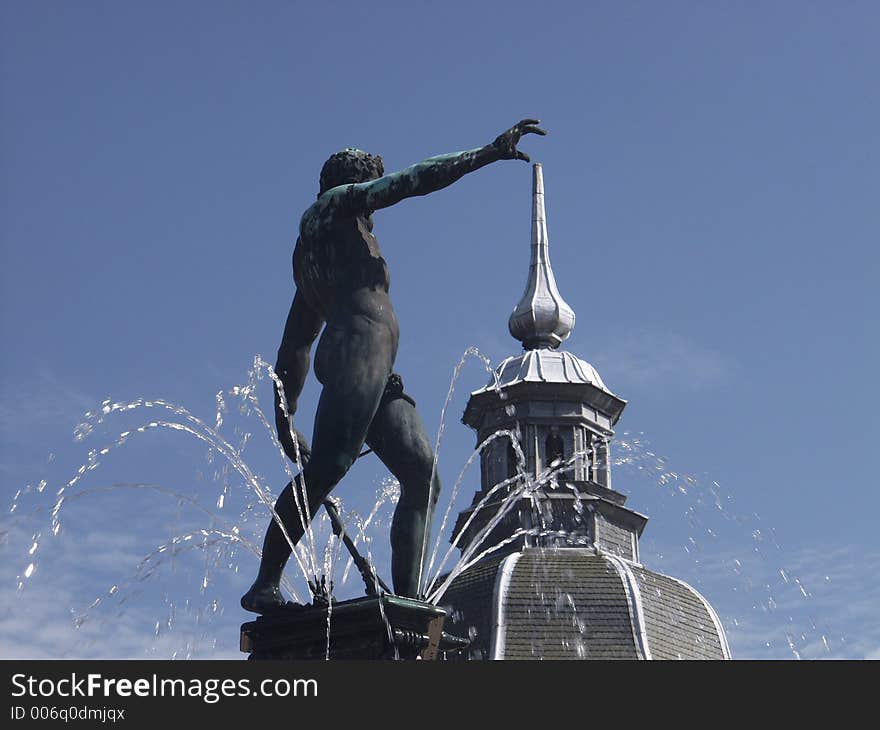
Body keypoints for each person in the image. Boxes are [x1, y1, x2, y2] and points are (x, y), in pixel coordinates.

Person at [241, 119, 546, 613]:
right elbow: (414, 180)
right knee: (328, 469)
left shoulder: (318, 252)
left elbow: (296, 342)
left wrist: (286, 415)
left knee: (422, 474)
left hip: (374, 366)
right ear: (352, 184)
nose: (374, 212)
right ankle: (264, 583)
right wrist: (486, 153)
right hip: (358, 354)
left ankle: (408, 599)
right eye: (369, 189)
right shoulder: (339, 206)